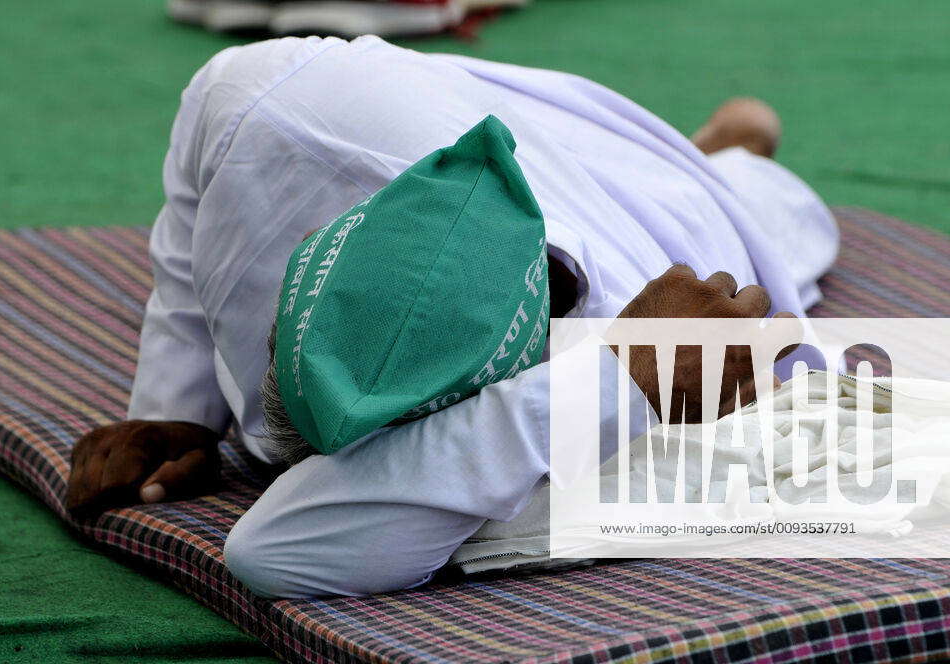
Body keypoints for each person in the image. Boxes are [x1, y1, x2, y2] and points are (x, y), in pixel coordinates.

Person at [64, 35, 839, 598]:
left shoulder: (641, 311)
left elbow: (279, 545)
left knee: (743, 221)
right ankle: (719, 149)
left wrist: (619, 378)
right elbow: (191, 212)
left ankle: (737, 157)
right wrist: (176, 408)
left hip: (624, 199)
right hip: (460, 111)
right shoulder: (261, 99)